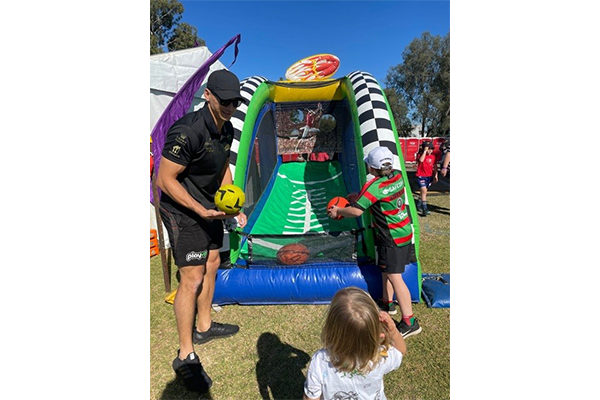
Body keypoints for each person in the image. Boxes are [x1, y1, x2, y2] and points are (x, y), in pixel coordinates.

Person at [156, 69, 248, 393]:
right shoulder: (187, 131)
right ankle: (185, 356)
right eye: (225, 101)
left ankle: (204, 326)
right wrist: (198, 210)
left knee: (212, 262)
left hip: (209, 206)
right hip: (181, 208)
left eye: (235, 101)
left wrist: (233, 205)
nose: (231, 106)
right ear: (208, 95)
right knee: (193, 276)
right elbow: (163, 180)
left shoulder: (228, 129)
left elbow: (223, 166)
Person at [328, 146, 422, 339]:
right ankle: (388, 303)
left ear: (371, 168)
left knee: (395, 277)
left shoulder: (373, 187)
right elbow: (377, 198)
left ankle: (410, 322)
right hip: (404, 231)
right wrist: (359, 199)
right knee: (387, 270)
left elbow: (356, 211)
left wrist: (339, 212)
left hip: (391, 236)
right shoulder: (397, 176)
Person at [303, 286, 406, 400]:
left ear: (332, 328)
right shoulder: (380, 357)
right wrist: (393, 331)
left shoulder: (321, 360)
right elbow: (400, 351)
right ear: (374, 332)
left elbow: (311, 397)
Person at [415, 141, 439, 216]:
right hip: (421, 176)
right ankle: (424, 208)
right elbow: (421, 160)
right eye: (429, 148)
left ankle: (419, 203)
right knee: (424, 191)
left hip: (429, 176)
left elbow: (435, 167)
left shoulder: (433, 157)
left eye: (431, 149)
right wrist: (424, 151)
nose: (430, 150)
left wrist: (436, 175)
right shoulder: (420, 155)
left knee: (424, 192)